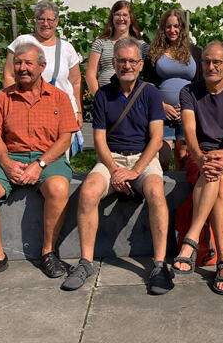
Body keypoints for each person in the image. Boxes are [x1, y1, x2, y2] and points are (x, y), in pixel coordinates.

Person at [62, 37, 173, 295]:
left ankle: (159, 264)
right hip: (110, 157)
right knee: (88, 192)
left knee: (157, 191)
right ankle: (86, 262)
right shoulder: (103, 94)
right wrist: (114, 171)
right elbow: (99, 139)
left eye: (132, 60)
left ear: (140, 64)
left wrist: (134, 171)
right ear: (113, 63)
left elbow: (157, 139)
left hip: (142, 159)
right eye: (122, 60)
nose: (127, 65)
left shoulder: (150, 93)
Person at [0, 43, 79, 284]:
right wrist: (7, 164)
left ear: (42, 66)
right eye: (18, 63)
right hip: (11, 156)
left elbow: (65, 138)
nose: (22, 68)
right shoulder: (3, 97)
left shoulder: (59, 98)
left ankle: (48, 253)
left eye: (28, 63)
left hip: (48, 157)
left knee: (59, 188)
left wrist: (39, 164)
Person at [174, 41, 223, 295]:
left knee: (217, 175)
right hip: (201, 157)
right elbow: (189, 132)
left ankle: (191, 240)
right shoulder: (189, 91)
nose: (211, 66)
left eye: (217, 62)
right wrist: (199, 157)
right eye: (206, 61)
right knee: (218, 185)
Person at [4, 0, 83, 129]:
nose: (45, 24)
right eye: (41, 19)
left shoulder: (67, 48)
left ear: (56, 21)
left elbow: (75, 81)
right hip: (27, 110)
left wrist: (78, 111)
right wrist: (13, 105)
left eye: (50, 20)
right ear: (35, 20)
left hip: (62, 112)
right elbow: (9, 75)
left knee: (61, 147)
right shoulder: (23, 41)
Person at [143, 9, 203, 171]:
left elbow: (201, 83)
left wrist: (189, 106)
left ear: (182, 28)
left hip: (187, 111)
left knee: (183, 154)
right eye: (168, 27)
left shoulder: (195, 52)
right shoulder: (153, 52)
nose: (172, 30)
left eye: (176, 26)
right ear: (163, 28)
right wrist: (161, 105)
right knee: (162, 155)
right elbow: (147, 84)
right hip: (161, 111)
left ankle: (179, 192)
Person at [85, 0, 148, 94]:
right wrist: (99, 98)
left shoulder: (141, 45)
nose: (121, 18)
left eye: (125, 15)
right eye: (117, 14)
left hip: (132, 98)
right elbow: (90, 74)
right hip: (106, 97)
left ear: (131, 19)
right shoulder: (101, 43)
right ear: (112, 18)